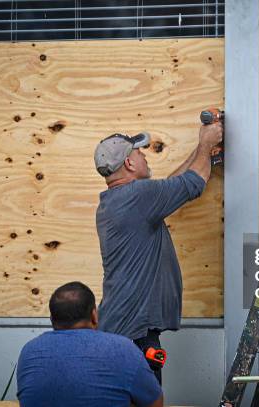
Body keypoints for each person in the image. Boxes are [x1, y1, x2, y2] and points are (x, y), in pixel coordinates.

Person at [94, 122, 223, 383]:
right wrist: (207, 142)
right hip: (134, 333)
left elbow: (172, 186)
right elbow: (193, 183)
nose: (144, 155)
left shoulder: (120, 199)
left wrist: (202, 153)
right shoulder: (139, 196)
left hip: (122, 327)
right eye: (139, 153)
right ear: (129, 164)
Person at [16, 281, 163, 407]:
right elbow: (156, 404)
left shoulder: (29, 351)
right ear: (94, 315)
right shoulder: (123, 348)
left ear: (52, 319)